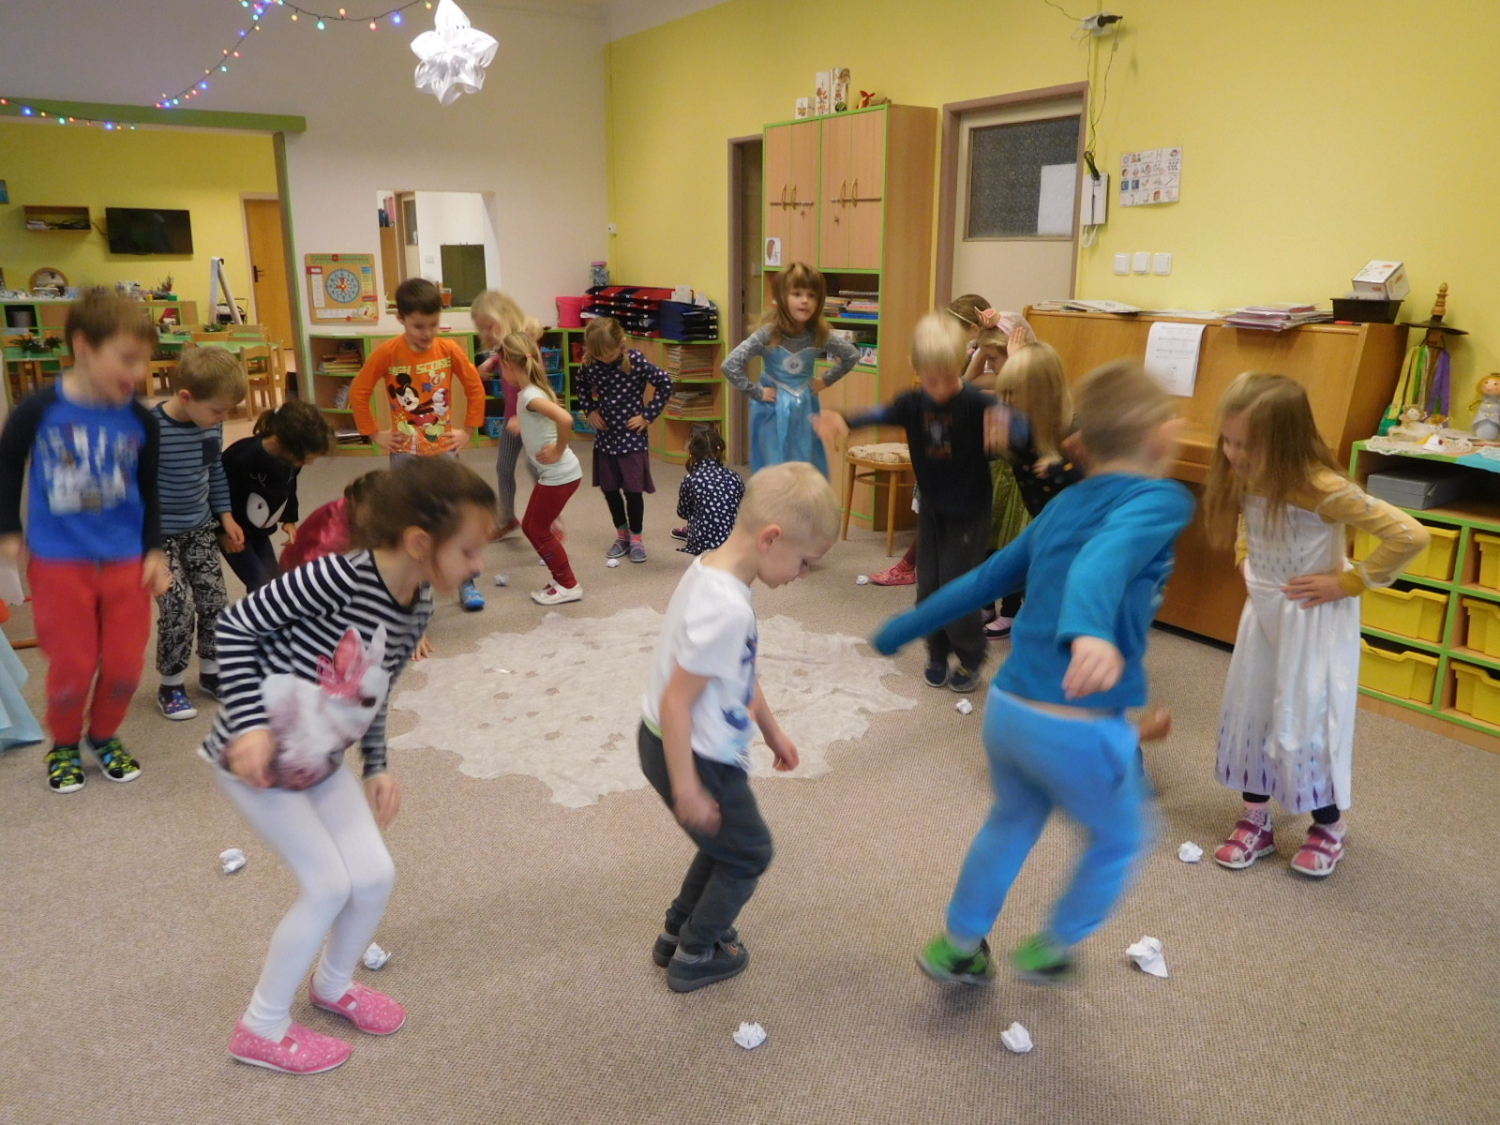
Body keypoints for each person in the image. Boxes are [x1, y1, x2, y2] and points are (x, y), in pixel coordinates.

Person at [872, 359, 1193, 985]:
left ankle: (958, 946)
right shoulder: (1160, 498)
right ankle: (1055, 945)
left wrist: (905, 626)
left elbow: (987, 577)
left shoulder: (1064, 503)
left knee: (1012, 821)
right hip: (1076, 722)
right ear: (1162, 437)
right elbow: (1103, 558)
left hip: (1010, 712)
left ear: (1079, 445)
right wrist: (1088, 630)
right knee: (1122, 838)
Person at [206, 458, 496, 1074]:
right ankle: (260, 1026)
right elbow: (234, 628)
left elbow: (375, 689)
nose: (478, 565)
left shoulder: (416, 604)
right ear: (420, 542)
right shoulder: (336, 576)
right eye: (469, 551)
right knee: (328, 886)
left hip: (323, 757)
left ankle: (332, 985)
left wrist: (377, 765)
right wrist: (251, 725)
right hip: (259, 757)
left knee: (374, 876)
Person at [1204, 372, 1428, 877]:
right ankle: (1256, 818)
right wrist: (1244, 555)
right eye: (1228, 441)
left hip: (1313, 620)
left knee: (1306, 721)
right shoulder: (1251, 470)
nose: (1234, 454)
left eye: (1247, 445)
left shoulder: (1322, 488)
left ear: (1285, 442)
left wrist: (1349, 582)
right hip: (1265, 613)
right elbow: (1247, 518)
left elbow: (1409, 536)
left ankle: (1328, 826)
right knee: (1253, 710)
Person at [639, 461, 840, 992]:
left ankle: (677, 931)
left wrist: (772, 732)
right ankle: (696, 952)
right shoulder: (727, 608)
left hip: (683, 745)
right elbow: (677, 702)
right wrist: (687, 787)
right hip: (695, 754)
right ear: (771, 538)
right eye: (803, 562)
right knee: (750, 853)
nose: (801, 574)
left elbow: (740, 671)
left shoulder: (710, 568)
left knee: (724, 844)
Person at [0, 288, 171, 792]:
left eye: (144, 361)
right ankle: (65, 743)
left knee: (124, 666)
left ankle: (104, 735)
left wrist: (154, 548)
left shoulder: (141, 420)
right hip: (59, 562)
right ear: (83, 346)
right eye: (127, 359)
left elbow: (149, 487)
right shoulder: (38, 409)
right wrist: (7, 527)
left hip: (125, 561)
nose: (138, 373)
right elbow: (7, 465)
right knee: (73, 665)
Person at [817, 313, 1006, 694]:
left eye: (948, 378)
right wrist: (844, 419)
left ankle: (970, 656)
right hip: (933, 511)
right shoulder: (913, 403)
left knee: (957, 590)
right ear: (916, 369)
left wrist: (1007, 427)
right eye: (931, 380)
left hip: (969, 514)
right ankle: (936, 652)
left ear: (961, 364)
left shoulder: (975, 404)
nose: (940, 389)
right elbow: (880, 413)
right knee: (928, 589)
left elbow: (1014, 428)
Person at [869, 296, 1033, 596]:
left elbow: (1011, 406)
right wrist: (982, 349)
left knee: (983, 541)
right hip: (962, 464)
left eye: (993, 358)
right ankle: (922, 570)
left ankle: (973, 596)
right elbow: (967, 382)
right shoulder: (984, 373)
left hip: (994, 469)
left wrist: (1014, 360)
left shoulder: (1022, 377)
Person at [350, 277, 488, 610]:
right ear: (401, 319)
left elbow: (474, 388)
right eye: (418, 326)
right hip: (404, 455)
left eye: (433, 324)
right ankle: (412, 587)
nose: (427, 333)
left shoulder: (449, 349)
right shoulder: (388, 353)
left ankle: (465, 581)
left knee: (454, 516)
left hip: (444, 451)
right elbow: (359, 391)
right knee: (408, 520)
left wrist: (468, 431)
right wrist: (375, 433)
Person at [152, 345, 248, 720]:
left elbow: (214, 470)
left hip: (200, 527)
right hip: (159, 536)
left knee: (215, 602)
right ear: (186, 396)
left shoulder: (210, 423)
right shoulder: (151, 428)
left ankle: (212, 673)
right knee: (177, 608)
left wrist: (225, 516)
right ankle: (171, 684)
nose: (222, 418)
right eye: (217, 410)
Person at [722, 262, 859, 476]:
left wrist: (825, 380)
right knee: (774, 468)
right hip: (771, 409)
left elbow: (851, 355)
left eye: (811, 295)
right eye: (797, 294)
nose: (805, 300)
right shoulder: (768, 333)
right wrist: (756, 392)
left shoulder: (819, 334)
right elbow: (730, 365)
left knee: (805, 466)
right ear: (782, 297)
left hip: (804, 408)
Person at [576, 316, 674, 563]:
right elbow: (581, 386)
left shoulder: (636, 361)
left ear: (621, 344)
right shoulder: (591, 364)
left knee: (633, 490)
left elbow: (665, 382)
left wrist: (647, 416)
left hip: (632, 437)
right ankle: (622, 534)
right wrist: (590, 410)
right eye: (600, 356)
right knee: (609, 489)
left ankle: (636, 537)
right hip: (606, 437)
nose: (605, 360)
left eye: (609, 355)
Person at [497, 331, 585, 605]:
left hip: (560, 475)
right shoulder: (531, 392)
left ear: (508, 365)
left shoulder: (530, 396)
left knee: (537, 529)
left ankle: (569, 584)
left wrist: (558, 449)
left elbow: (565, 418)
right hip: (555, 475)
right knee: (531, 526)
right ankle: (561, 579)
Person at [220, 400, 331, 593]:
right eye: (307, 457)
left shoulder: (291, 460)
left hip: (259, 531)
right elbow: (217, 492)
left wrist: (289, 519)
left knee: (276, 581)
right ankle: (257, 612)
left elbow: (290, 485)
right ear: (286, 445)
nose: (310, 463)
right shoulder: (242, 457)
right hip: (233, 532)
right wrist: (222, 531)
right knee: (260, 584)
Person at [470, 290, 541, 537]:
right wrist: (491, 363)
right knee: (503, 468)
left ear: (505, 317)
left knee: (537, 469)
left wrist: (523, 417)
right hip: (511, 419)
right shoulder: (503, 346)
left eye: (490, 326)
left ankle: (549, 518)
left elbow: (538, 383)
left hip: (530, 419)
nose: (486, 333)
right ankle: (507, 518)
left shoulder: (524, 345)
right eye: (482, 329)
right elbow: (501, 358)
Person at [672, 422, 744, 555]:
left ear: (692, 455)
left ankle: (696, 532)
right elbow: (742, 508)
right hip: (733, 541)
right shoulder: (735, 476)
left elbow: (682, 512)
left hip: (702, 543)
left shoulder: (690, 479)